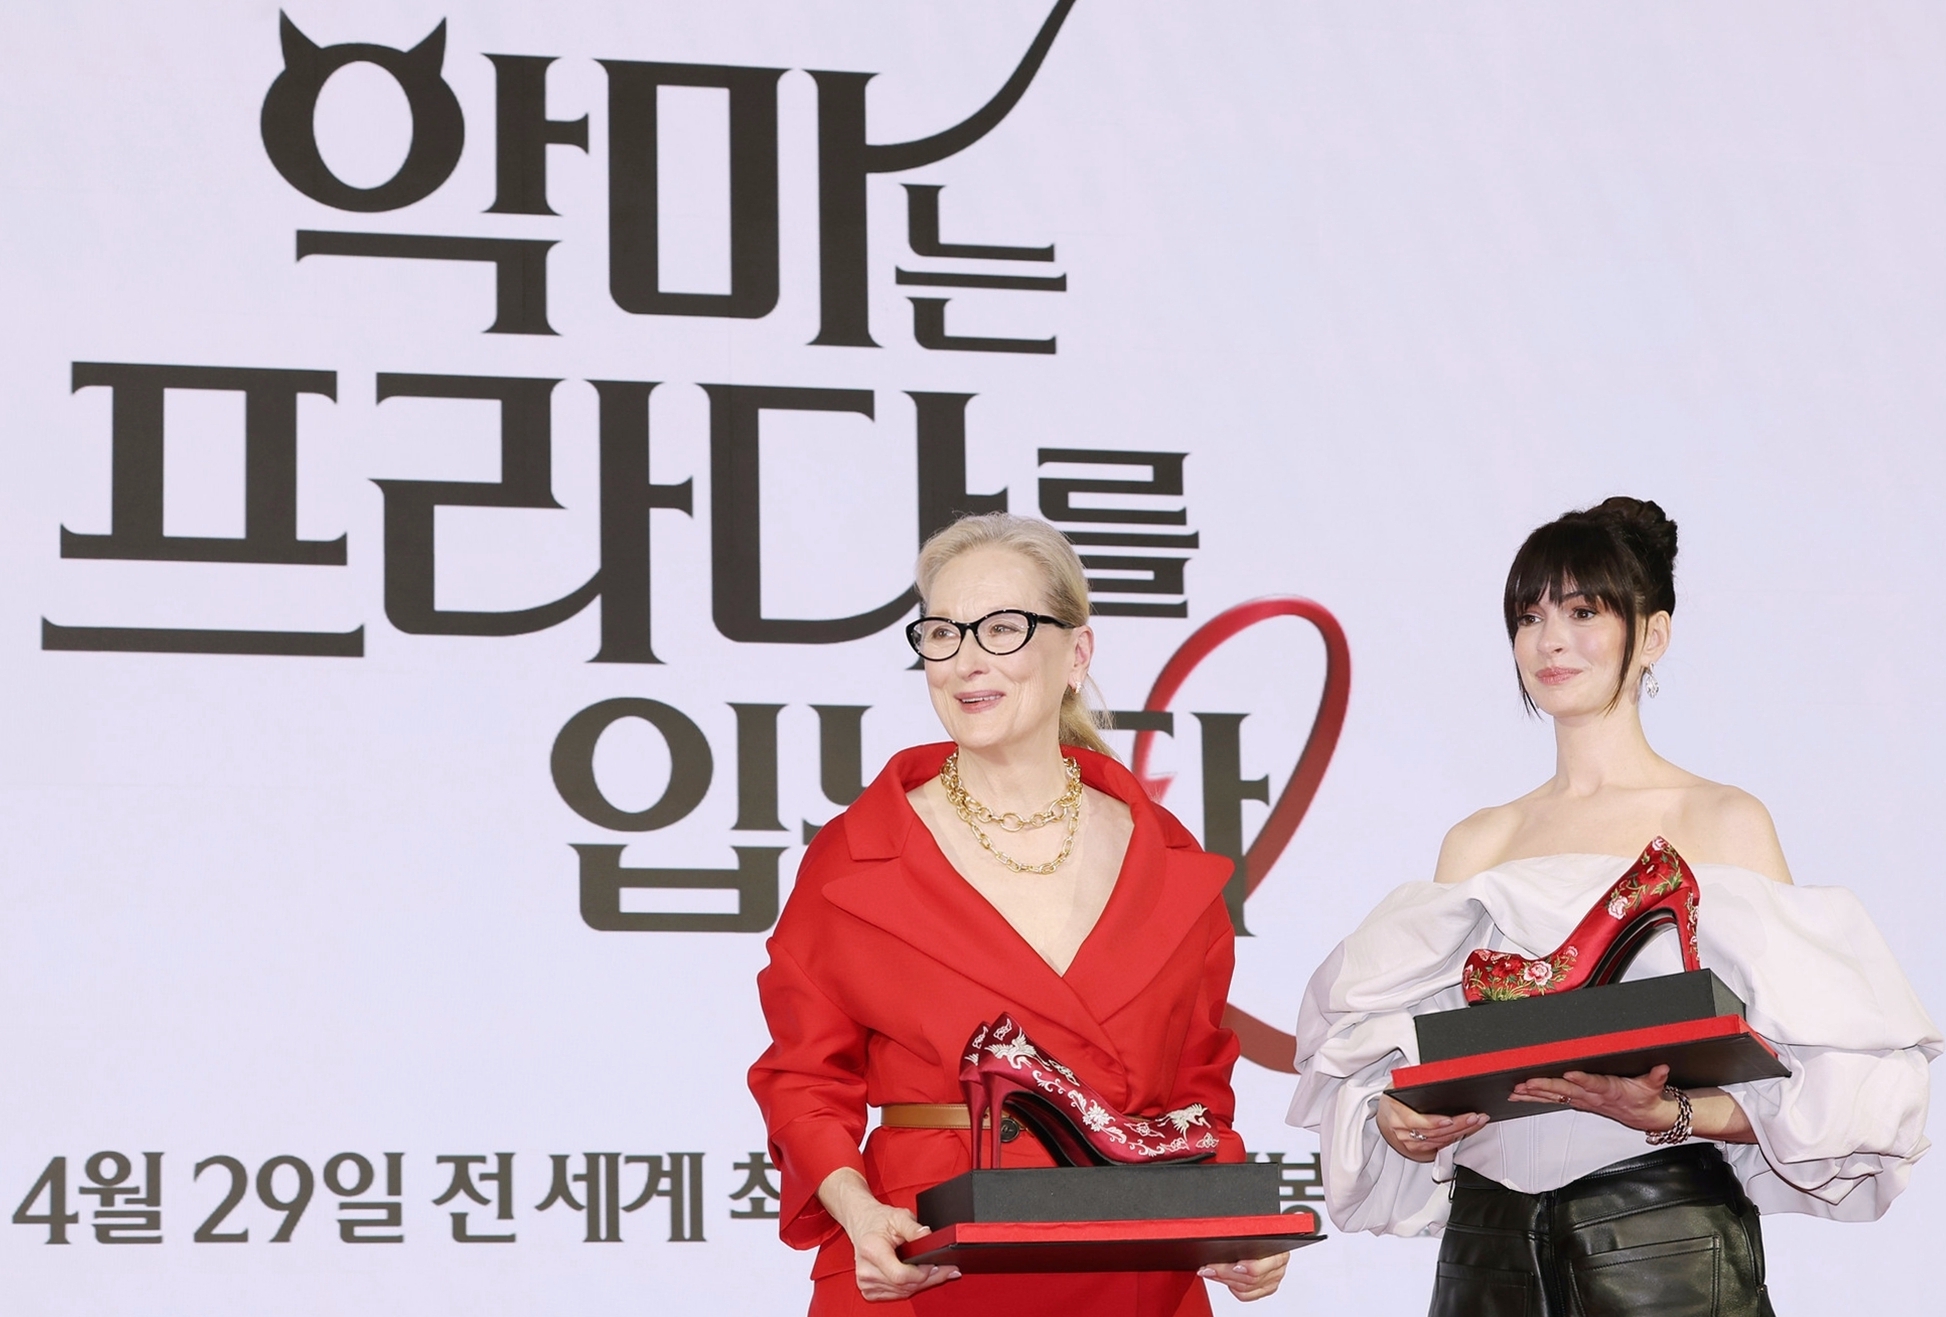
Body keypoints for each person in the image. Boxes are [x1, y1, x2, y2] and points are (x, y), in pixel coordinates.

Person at [1289, 497, 1938, 1316]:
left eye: (1583, 612)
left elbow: (1831, 1084)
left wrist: (1670, 1111)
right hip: (1489, 1243)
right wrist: (1394, 1115)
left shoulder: (1722, 821)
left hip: (1660, 1234)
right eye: (1529, 617)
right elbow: (1421, 1056)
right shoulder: (1477, 843)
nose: (1550, 640)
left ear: (1653, 635)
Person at [750, 512, 1289, 1315]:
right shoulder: (860, 854)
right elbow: (804, 1079)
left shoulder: (1167, 859)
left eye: (1003, 628)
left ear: (1077, 652)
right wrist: (858, 1212)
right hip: (925, 1258)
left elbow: (1197, 1095)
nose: (967, 660)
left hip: (1130, 1262)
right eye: (942, 632)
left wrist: (1234, 1223)